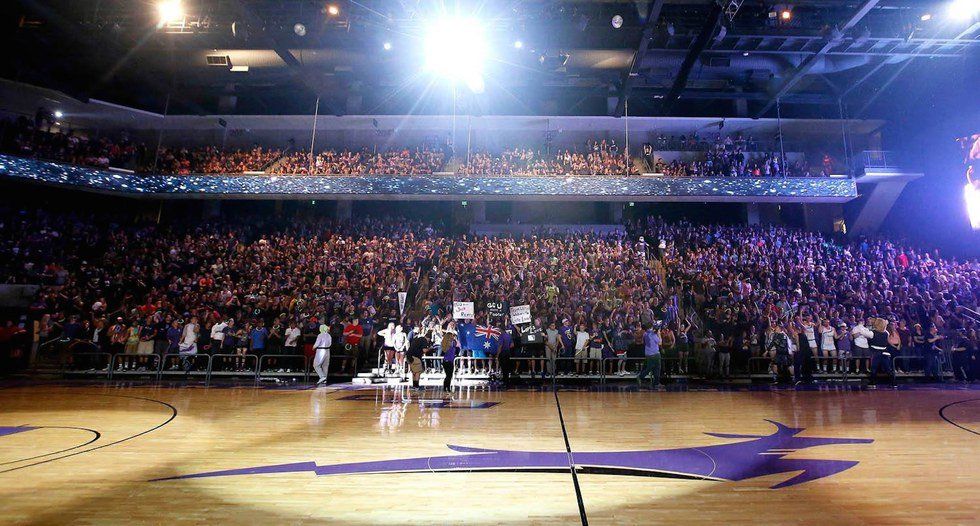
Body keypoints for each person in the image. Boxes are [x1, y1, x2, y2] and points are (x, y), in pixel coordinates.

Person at [868, 318, 896, 388]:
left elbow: (867, 336)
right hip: (884, 352)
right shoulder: (886, 333)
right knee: (888, 368)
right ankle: (893, 383)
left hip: (876, 352)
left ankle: (872, 383)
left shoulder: (872, 332)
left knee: (874, 368)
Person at [637, 323, 662, 388]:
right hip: (654, 354)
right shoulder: (653, 335)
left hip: (648, 354)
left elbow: (643, 342)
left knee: (651, 368)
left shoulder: (645, 334)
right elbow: (660, 342)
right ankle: (640, 377)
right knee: (655, 369)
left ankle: (655, 383)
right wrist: (659, 334)